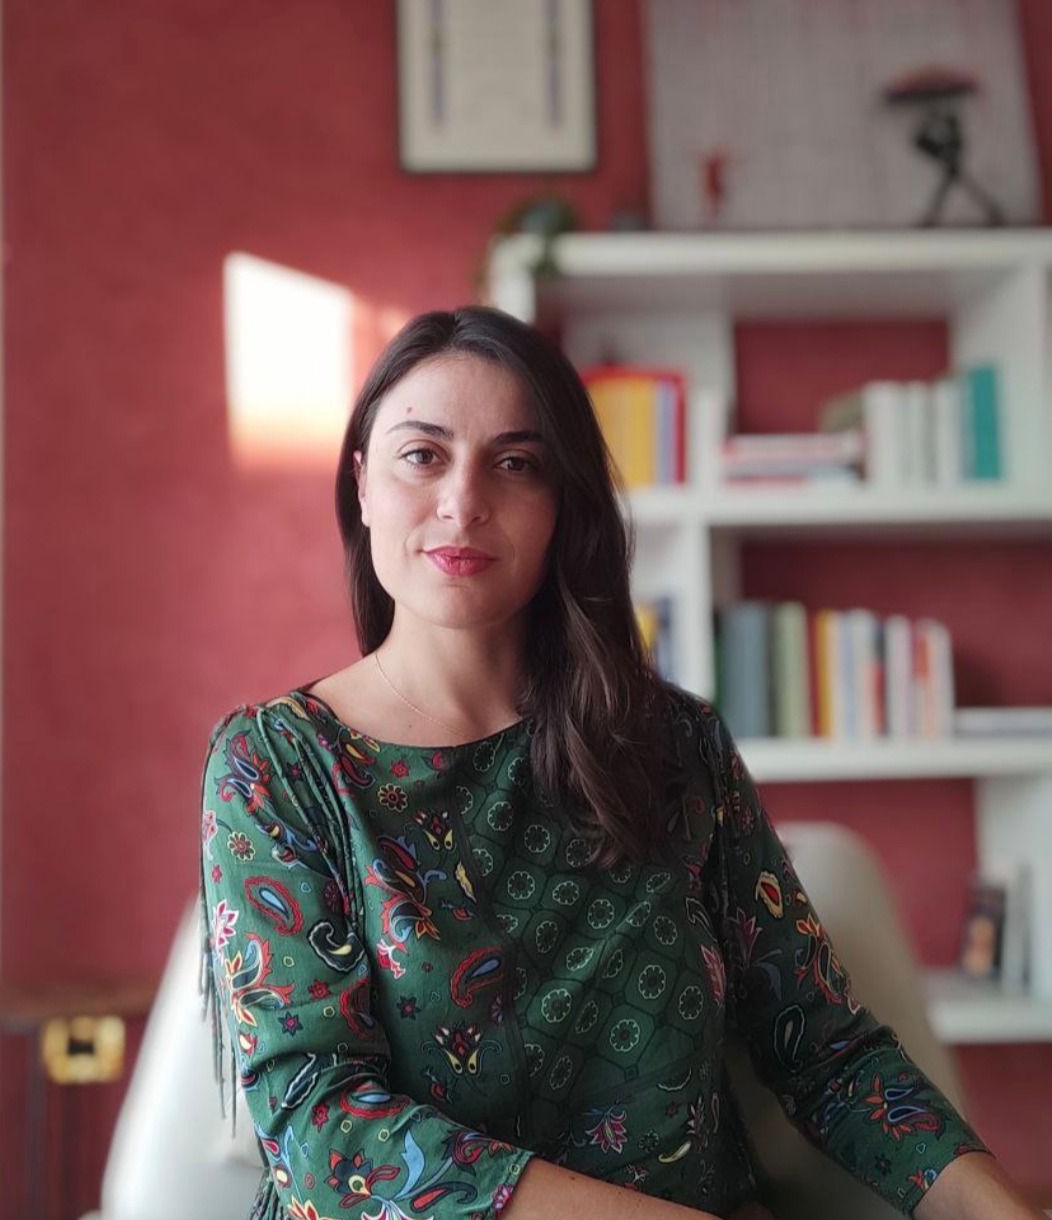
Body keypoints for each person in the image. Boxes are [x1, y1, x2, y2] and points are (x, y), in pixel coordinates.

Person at [198, 307, 1041, 1220]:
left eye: (516, 464)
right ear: (363, 483)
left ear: (564, 506)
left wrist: (1004, 1211)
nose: (463, 502)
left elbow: (826, 1049)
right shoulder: (277, 765)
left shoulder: (674, 745)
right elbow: (323, 1131)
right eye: (423, 455)